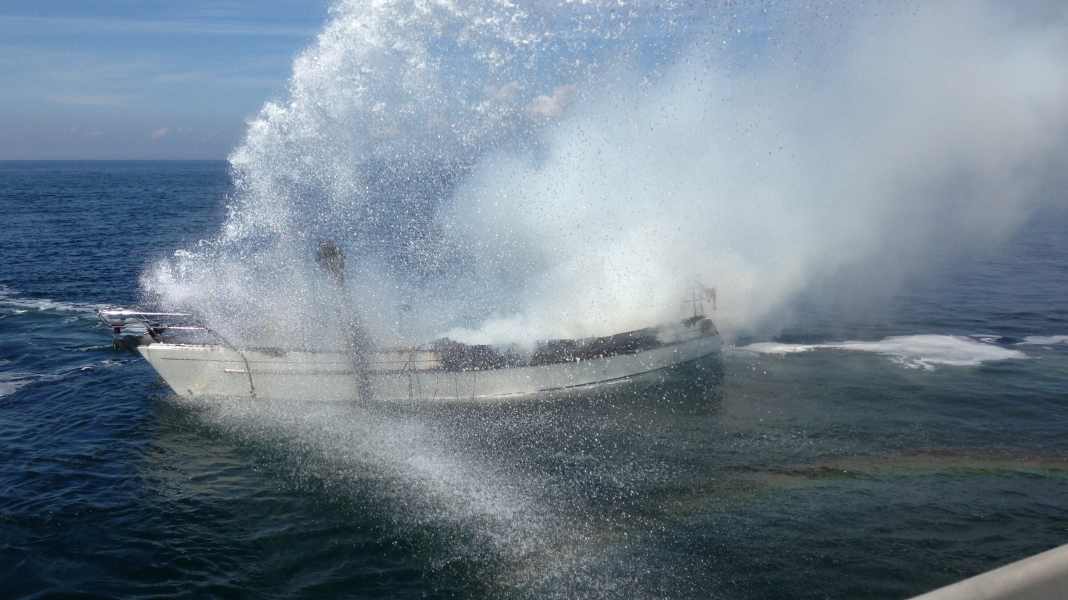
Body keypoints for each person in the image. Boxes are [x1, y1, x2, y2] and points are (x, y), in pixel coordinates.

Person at [316, 240, 373, 401]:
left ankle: (364, 391)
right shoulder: (334, 288)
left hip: (355, 345)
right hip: (354, 341)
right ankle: (364, 391)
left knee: (352, 330)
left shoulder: (337, 288)